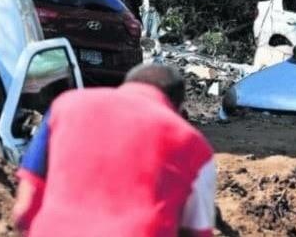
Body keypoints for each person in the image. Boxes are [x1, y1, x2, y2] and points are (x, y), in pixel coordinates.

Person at [12, 63, 216, 236]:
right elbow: (197, 231)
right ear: (178, 107)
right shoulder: (193, 145)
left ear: (125, 85)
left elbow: (24, 207)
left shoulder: (64, 106)